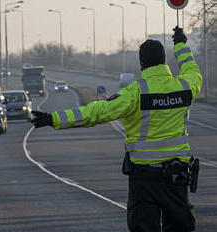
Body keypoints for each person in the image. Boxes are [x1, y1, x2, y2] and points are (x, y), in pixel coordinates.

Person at [31, 27, 202, 232]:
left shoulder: (135, 92)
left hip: (145, 179)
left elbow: (98, 111)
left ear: (141, 63)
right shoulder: (184, 87)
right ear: (164, 61)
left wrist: (54, 118)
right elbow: (193, 70)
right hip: (177, 178)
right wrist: (181, 45)